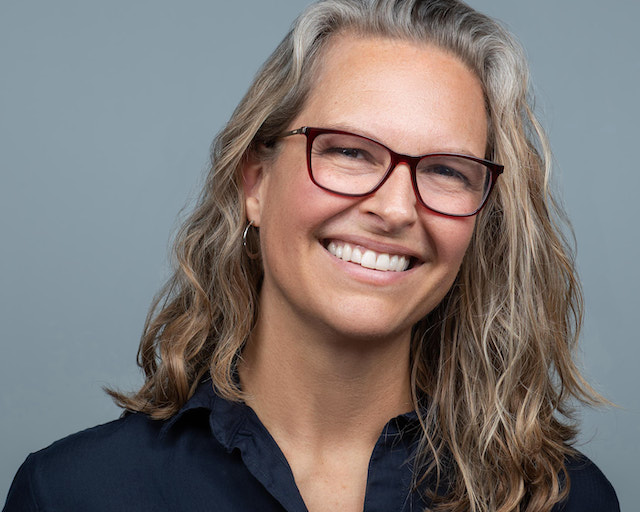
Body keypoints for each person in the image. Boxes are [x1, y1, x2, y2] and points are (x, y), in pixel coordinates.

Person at [3, 0, 619, 511]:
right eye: (349, 152)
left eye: (447, 171)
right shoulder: (72, 493)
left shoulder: (567, 499)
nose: (397, 209)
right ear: (255, 183)